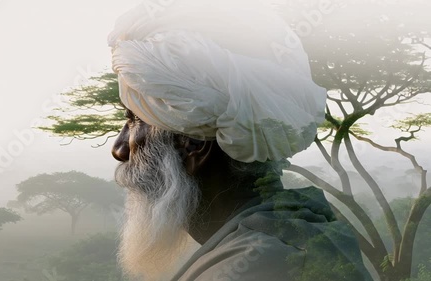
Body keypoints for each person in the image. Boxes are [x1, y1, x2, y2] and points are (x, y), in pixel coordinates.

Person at [108, 1, 373, 280]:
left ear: (193, 144)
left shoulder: (263, 264)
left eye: (135, 120)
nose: (120, 148)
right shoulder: (290, 234)